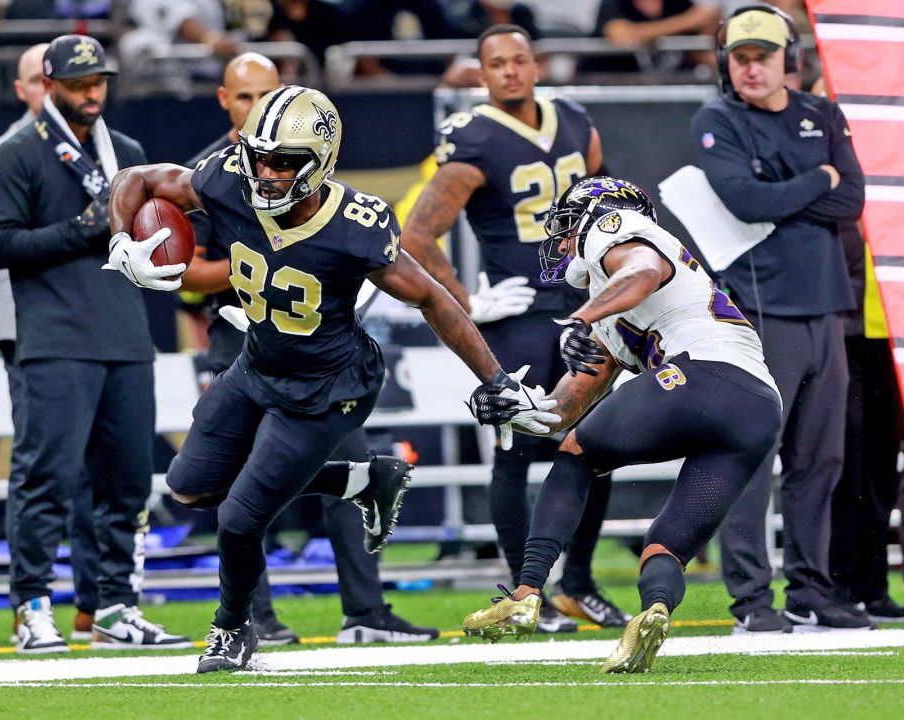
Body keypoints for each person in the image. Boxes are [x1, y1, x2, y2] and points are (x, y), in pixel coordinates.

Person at [105, 84, 558, 672]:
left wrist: (496, 379)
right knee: (189, 487)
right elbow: (135, 180)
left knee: (240, 519)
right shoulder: (225, 178)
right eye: (259, 157)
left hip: (329, 388)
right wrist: (122, 236)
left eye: (283, 162)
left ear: (320, 163)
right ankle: (361, 482)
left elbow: (433, 299)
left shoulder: (355, 224)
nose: (265, 173)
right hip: (257, 364)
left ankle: (233, 629)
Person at [462, 176, 782, 674]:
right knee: (665, 545)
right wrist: (516, 408)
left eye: (566, 226)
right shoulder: (611, 308)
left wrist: (580, 318)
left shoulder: (616, 229)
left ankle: (524, 594)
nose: (562, 240)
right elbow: (564, 409)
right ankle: (654, 612)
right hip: (757, 409)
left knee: (576, 458)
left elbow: (644, 267)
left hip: (703, 370)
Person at [178, 52, 440, 647]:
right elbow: (184, 270)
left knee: (300, 476)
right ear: (226, 101)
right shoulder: (214, 174)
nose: (259, 112)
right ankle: (256, 616)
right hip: (245, 341)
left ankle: (365, 611)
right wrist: (259, 269)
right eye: (246, 99)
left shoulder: (330, 198)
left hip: (324, 358)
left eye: (269, 95)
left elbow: (422, 291)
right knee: (228, 490)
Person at [401, 24, 625, 632]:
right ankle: (525, 592)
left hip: (583, 310)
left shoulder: (575, 119)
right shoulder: (473, 136)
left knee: (596, 444)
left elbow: (607, 204)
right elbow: (417, 235)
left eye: (519, 59)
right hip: (521, 313)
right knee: (516, 454)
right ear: (481, 73)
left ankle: (576, 582)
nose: (509, 71)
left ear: (535, 63)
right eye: (496, 63)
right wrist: (468, 302)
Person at [0, 34, 191, 654]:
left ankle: (116, 608)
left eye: (98, 81)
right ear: (47, 86)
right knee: (47, 480)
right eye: (78, 84)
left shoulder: (126, 152)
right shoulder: (16, 152)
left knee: (127, 483)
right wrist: (82, 228)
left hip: (126, 335)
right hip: (52, 337)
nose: (92, 92)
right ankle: (32, 608)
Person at [689, 5, 872, 631]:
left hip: (825, 308)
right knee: (752, 456)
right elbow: (743, 201)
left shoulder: (821, 113)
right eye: (740, 58)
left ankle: (811, 590)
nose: (751, 68)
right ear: (725, 63)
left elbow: (852, 199)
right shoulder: (717, 117)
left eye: (762, 56)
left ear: (787, 60)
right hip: (761, 313)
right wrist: (817, 176)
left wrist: (788, 190)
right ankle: (751, 600)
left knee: (820, 462)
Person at [0, 42, 105, 646]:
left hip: (95, 328)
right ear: (34, 87)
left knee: (99, 475)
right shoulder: (10, 150)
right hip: (29, 328)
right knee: (44, 467)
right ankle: (29, 603)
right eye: (39, 79)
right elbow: (0, 246)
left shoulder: (108, 149)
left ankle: (97, 603)